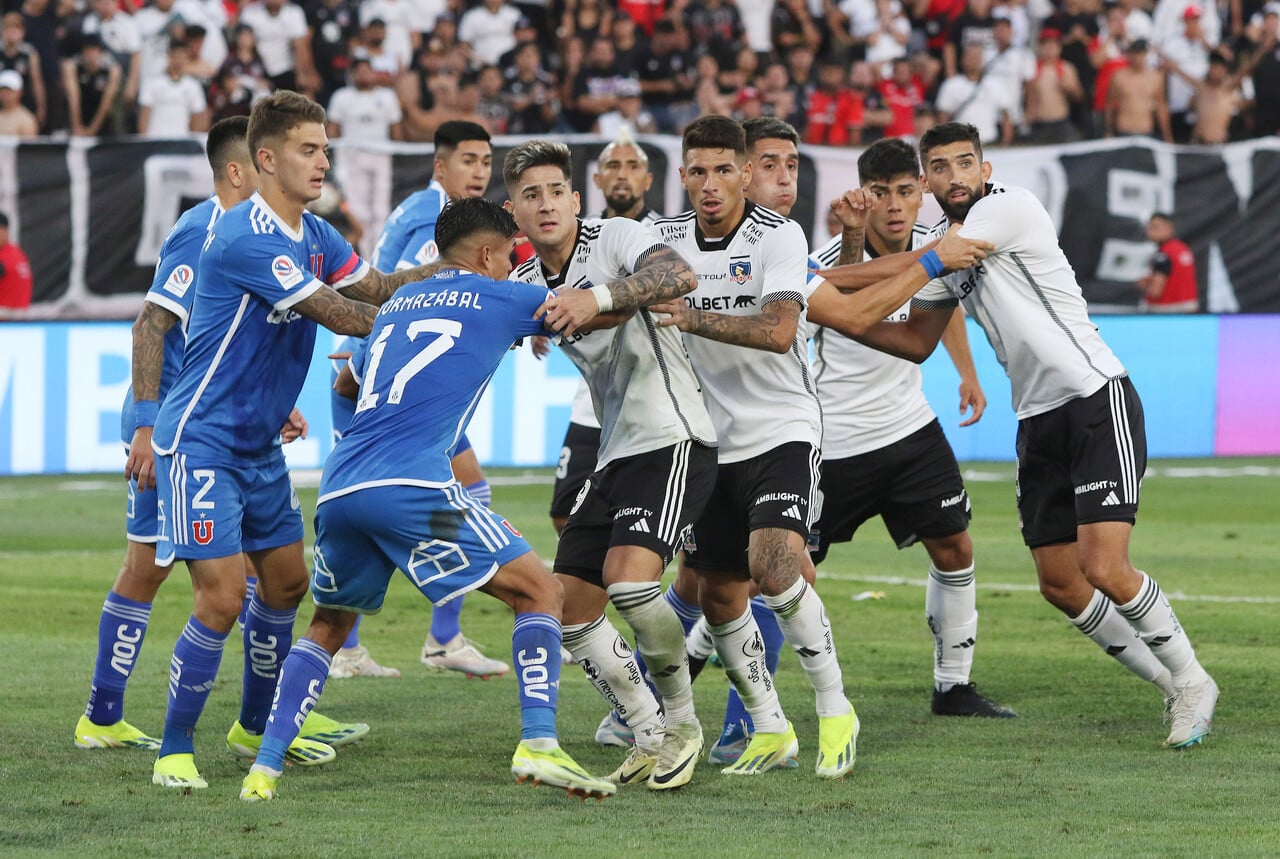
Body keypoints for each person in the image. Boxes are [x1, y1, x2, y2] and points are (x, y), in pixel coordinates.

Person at [811, 122, 1218, 750]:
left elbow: (912, 265)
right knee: (1060, 582)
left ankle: (1192, 681)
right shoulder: (946, 248)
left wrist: (813, 278)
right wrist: (834, 309)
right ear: (929, 181)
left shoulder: (1008, 208)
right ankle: (1170, 684)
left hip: (1093, 396)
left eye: (964, 163)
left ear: (986, 168)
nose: (954, 176)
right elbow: (915, 343)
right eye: (940, 167)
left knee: (1105, 566)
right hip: (1036, 419)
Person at [239, 197, 616, 803]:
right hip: (413, 487)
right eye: (510, 257)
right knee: (542, 590)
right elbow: (584, 310)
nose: (513, 267)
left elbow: (346, 380)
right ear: (489, 254)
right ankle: (540, 744)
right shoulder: (502, 295)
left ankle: (265, 767)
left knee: (330, 623)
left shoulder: (392, 305)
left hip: (341, 486)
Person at [148, 90, 438, 790]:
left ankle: (253, 726)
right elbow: (341, 313)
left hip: (258, 447)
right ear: (266, 158)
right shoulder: (244, 235)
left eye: (327, 148)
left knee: (287, 584)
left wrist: (454, 278)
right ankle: (173, 750)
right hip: (201, 441)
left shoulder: (315, 231)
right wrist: (450, 321)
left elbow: (377, 287)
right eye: (309, 149)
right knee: (221, 599)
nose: (323, 161)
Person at [72, 117, 313, 751]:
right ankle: (103, 716)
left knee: (270, 576)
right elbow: (150, 327)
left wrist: (268, 402)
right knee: (149, 569)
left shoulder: (270, 235)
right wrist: (148, 427)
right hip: (174, 426)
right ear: (242, 171)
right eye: (267, 166)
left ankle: (263, 717)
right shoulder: (203, 229)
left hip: (223, 423)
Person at [648, 115, 859, 779]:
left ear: (744, 173)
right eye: (698, 171)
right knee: (719, 595)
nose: (710, 185)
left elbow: (777, 329)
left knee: (773, 564)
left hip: (780, 425)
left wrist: (689, 314)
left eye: (723, 170)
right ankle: (770, 726)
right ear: (682, 176)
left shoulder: (779, 235)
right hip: (708, 436)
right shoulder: (664, 239)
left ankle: (834, 709)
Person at [505, 139, 715, 790]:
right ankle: (646, 727)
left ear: (575, 198)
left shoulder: (617, 235)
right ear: (514, 211)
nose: (545, 204)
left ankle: (683, 722)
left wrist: (593, 299)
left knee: (630, 582)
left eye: (554, 191)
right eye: (529, 195)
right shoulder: (522, 284)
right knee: (568, 603)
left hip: (675, 434)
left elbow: (678, 275)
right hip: (616, 448)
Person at [807, 136, 1017, 720]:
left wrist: (968, 374)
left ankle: (953, 687)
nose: (895, 205)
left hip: (909, 430)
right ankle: (699, 651)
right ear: (862, 195)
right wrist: (850, 245)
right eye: (881, 193)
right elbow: (849, 293)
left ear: (922, 190)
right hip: (835, 442)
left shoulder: (938, 251)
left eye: (905, 190)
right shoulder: (829, 260)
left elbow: (935, 307)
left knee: (954, 546)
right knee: (781, 570)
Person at [369, 119, 511, 679]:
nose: (479, 171)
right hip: (382, 383)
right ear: (440, 166)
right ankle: (422, 639)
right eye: (468, 160)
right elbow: (395, 290)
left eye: (485, 160)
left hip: (397, 380)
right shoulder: (429, 219)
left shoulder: (433, 217)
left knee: (467, 487)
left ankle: (441, 637)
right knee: (396, 505)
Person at [547, 130, 661, 541]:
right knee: (565, 512)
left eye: (633, 167)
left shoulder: (662, 235)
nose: (622, 175)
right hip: (592, 403)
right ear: (595, 180)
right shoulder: (577, 238)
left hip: (654, 395)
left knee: (691, 533)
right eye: (613, 165)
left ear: (648, 180)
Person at [1137, 212, 1197, 313]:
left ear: (1168, 228)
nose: (1149, 232)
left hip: (1166, 313)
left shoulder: (1163, 255)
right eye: (1149, 227)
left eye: (1155, 227)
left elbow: (1155, 291)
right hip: (1188, 311)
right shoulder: (1182, 248)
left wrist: (1144, 285)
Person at [0, 210, 32, 309]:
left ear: (5, 230)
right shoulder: (18, 252)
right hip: (19, 318)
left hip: (6, 316)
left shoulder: (9, 255)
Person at [0, 68, 37, 136]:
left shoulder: (26, 120)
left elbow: (28, 145)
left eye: (9, 90)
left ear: (20, 92)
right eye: (2, 89)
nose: (5, 94)